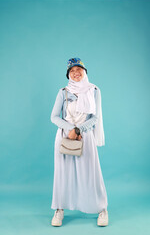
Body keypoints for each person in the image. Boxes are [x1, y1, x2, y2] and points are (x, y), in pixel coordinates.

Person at [50, 57, 109, 227]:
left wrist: (78, 130)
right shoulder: (63, 92)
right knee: (62, 174)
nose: (76, 73)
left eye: (79, 70)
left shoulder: (94, 90)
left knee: (91, 173)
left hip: (85, 136)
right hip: (65, 137)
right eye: (72, 71)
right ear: (68, 74)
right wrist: (69, 129)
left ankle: (101, 208)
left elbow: (95, 117)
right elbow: (54, 116)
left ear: (85, 72)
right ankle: (59, 209)